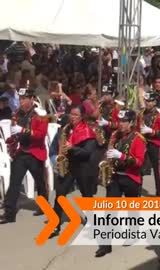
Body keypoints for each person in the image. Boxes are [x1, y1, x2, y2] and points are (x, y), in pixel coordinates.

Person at [95, 109, 147, 257]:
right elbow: (109, 151)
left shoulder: (139, 139)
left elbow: (139, 162)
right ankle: (106, 245)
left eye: (124, 121)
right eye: (120, 121)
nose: (121, 124)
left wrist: (121, 156)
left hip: (131, 177)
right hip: (115, 176)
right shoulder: (115, 135)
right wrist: (105, 161)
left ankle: (133, 233)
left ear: (131, 123)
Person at [0, 88, 49, 224]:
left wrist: (22, 130)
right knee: (14, 182)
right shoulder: (18, 113)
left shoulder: (40, 114)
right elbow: (15, 131)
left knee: (40, 182)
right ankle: (9, 214)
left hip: (35, 152)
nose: (21, 101)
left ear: (32, 99)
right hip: (22, 152)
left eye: (24, 99)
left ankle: (44, 206)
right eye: (20, 99)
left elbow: (40, 135)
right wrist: (13, 138)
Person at [50, 105, 98, 236]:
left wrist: (72, 148)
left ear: (82, 116)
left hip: (83, 167)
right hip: (69, 166)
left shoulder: (88, 131)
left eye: (76, 115)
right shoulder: (67, 129)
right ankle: (56, 224)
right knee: (60, 193)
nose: (72, 117)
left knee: (87, 196)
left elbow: (87, 153)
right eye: (71, 114)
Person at [136, 91, 160, 197]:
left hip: (154, 144)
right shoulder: (141, 113)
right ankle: (138, 191)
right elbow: (137, 129)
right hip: (142, 143)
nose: (147, 103)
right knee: (139, 167)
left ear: (155, 102)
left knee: (157, 168)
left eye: (149, 101)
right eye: (146, 101)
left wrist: (151, 131)